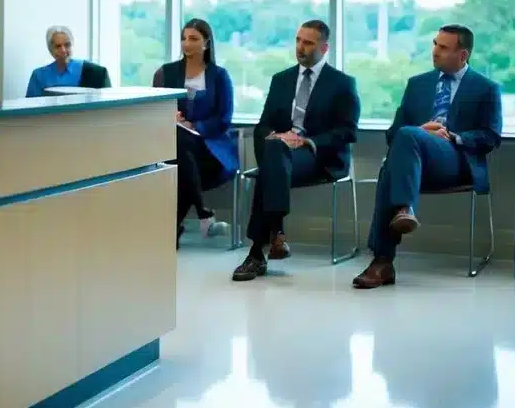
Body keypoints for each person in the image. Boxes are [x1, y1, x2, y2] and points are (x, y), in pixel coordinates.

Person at [353, 24, 502, 289]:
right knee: (403, 145)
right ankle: (386, 254)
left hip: (456, 161)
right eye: (435, 44)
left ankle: (385, 253)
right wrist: (420, 132)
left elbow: (491, 137)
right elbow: (393, 134)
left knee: (399, 154)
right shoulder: (417, 84)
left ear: (463, 55)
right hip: (415, 162)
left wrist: (453, 136)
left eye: (443, 47)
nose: (434, 51)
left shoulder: (485, 88)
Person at [232, 20, 360, 282]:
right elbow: (263, 124)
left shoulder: (342, 83)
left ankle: (261, 249)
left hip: (318, 157)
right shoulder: (281, 79)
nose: (301, 47)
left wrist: (307, 142)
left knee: (272, 161)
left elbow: (348, 131)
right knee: (274, 150)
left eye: (309, 43)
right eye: (298, 40)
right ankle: (270, 240)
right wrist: (277, 137)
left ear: (324, 48)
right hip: (281, 154)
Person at [153, 19, 237, 248]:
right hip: (177, 145)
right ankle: (203, 215)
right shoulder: (166, 72)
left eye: (193, 39)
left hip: (211, 149)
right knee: (181, 151)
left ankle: (177, 226)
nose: (186, 44)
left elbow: (224, 119)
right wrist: (170, 118)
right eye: (184, 38)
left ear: (206, 43)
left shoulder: (219, 76)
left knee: (180, 152)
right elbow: (155, 108)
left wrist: (195, 126)